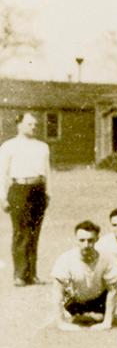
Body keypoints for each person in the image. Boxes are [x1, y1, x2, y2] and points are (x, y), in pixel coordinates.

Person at [1, 112, 51, 286]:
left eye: (35, 124)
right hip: (19, 190)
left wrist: (48, 193)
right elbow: (1, 174)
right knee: (21, 232)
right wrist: (2, 197)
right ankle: (20, 275)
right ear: (19, 124)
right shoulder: (9, 146)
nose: (34, 127)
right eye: (30, 124)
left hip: (38, 190)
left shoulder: (42, 147)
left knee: (34, 233)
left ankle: (32, 274)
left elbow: (47, 172)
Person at [51, 220, 117, 330]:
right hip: (74, 301)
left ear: (97, 239)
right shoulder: (65, 259)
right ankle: (74, 315)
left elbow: (113, 291)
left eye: (90, 240)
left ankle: (102, 316)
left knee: (99, 317)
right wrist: (61, 324)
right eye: (82, 240)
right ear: (76, 240)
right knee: (72, 315)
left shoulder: (107, 259)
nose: (86, 245)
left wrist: (107, 323)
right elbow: (57, 291)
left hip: (98, 300)